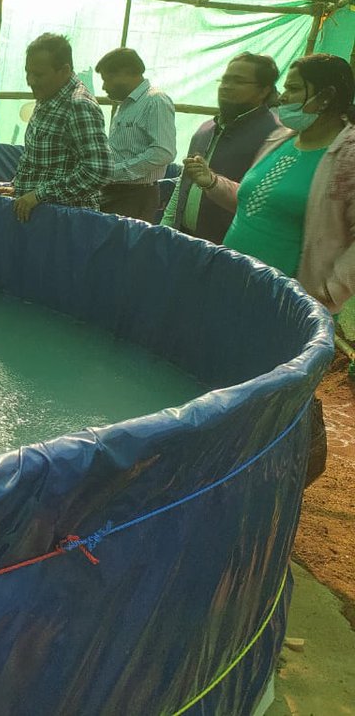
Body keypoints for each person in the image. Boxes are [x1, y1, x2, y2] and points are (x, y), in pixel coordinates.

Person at [182, 53, 355, 486]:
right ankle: (221, 470)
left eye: (295, 90)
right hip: (239, 287)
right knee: (233, 383)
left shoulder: (348, 156)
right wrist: (211, 183)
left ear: (328, 96)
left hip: (289, 303)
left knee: (272, 398)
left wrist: (328, 293)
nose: (284, 97)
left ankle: (271, 480)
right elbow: (255, 202)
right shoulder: (281, 140)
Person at [0, 33, 110, 222]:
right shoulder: (48, 95)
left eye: (38, 74)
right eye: (28, 72)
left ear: (64, 71)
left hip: (66, 221)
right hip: (40, 218)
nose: (30, 80)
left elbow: (98, 170)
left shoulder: (78, 105)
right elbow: (47, 162)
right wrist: (19, 188)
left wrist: (39, 194)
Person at [161, 53, 280, 243]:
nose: (226, 86)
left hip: (232, 251)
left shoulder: (275, 137)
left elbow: (267, 204)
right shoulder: (206, 129)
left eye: (238, 81)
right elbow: (184, 185)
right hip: (185, 241)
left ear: (264, 90)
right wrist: (166, 227)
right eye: (224, 79)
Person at [95, 47, 177, 221]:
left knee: (122, 245)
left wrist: (114, 172)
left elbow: (163, 152)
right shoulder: (126, 105)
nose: (103, 86)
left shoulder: (155, 101)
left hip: (136, 196)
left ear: (126, 73)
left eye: (107, 79)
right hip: (116, 191)